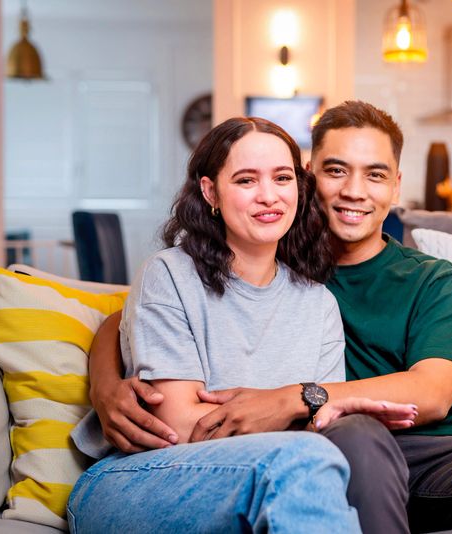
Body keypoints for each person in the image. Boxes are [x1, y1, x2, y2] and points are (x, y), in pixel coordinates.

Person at [88, 102, 452, 533]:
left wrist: (297, 397)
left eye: (375, 175)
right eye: (336, 170)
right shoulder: (265, 254)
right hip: (328, 451)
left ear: (395, 187)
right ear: (309, 177)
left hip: (414, 457)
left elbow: (434, 392)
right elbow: (132, 312)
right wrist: (105, 381)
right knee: (354, 434)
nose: (355, 191)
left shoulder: (426, 282)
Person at [67, 116, 416, 533]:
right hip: (136, 480)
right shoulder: (168, 275)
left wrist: (298, 414)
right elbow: (176, 426)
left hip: (273, 479)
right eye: (246, 180)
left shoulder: (319, 303)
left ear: (299, 189)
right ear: (210, 191)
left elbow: (322, 425)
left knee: (315, 460)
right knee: (306, 460)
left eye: (282, 178)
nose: (269, 197)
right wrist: (287, 413)